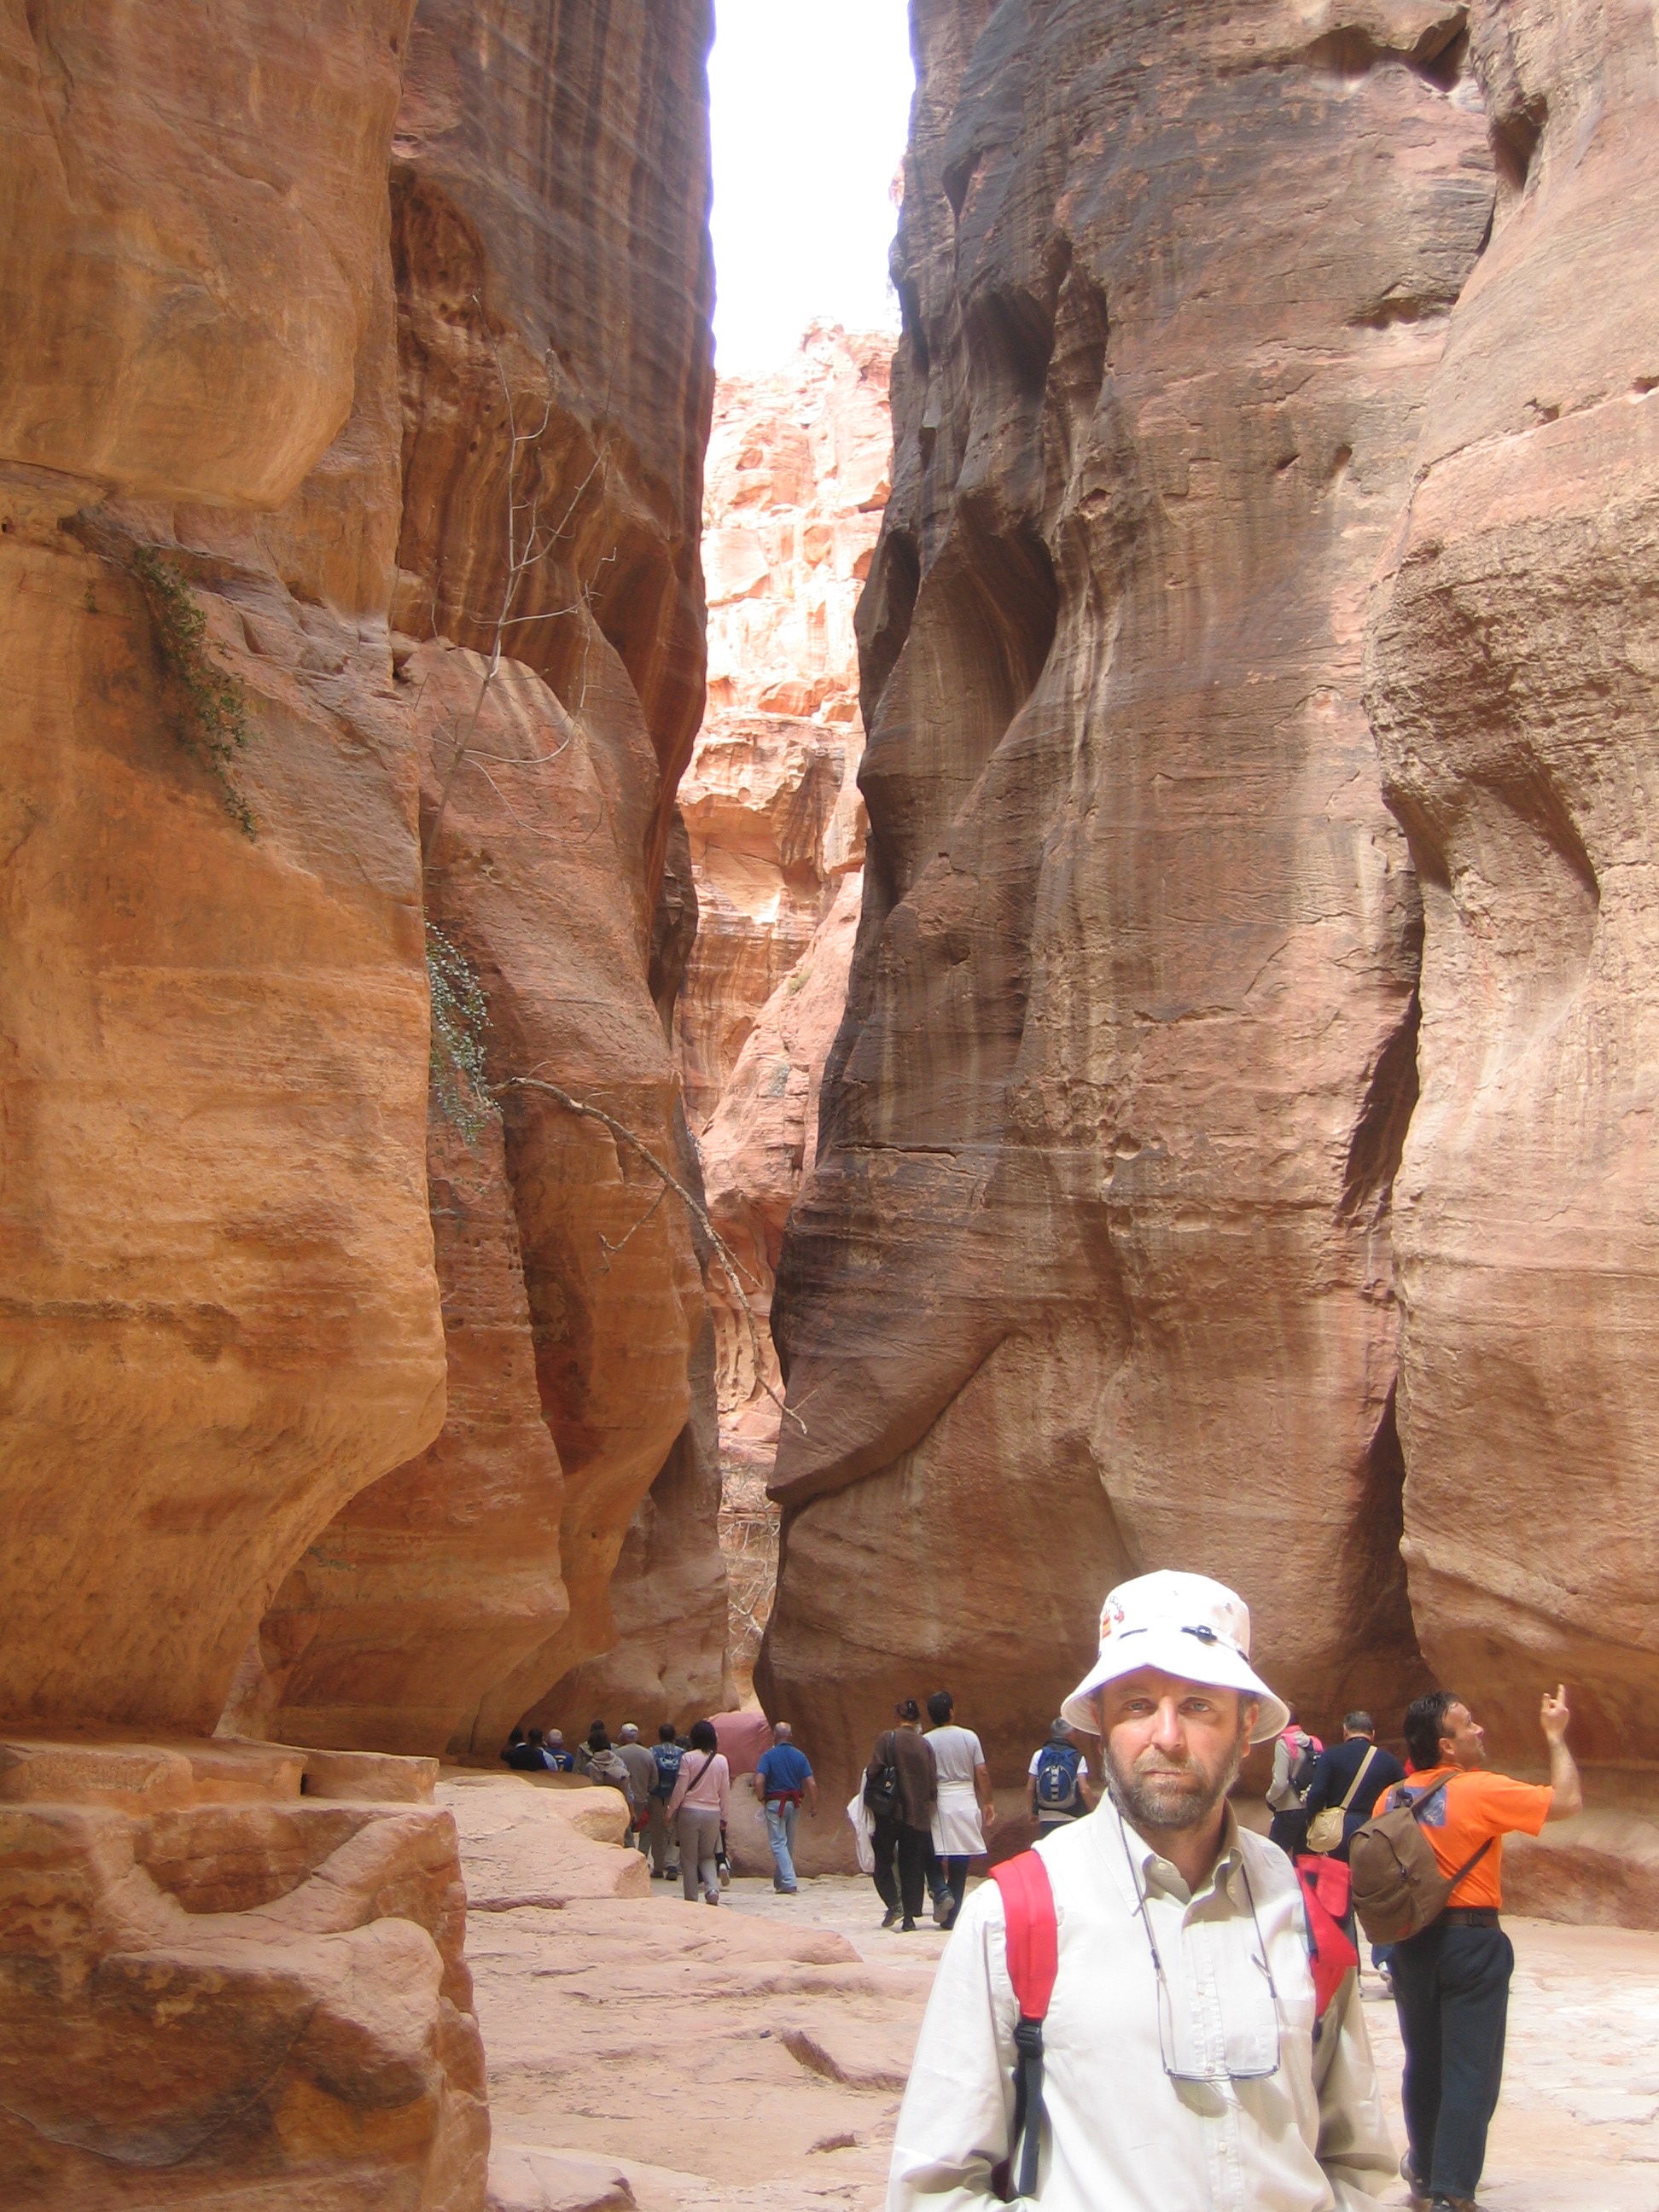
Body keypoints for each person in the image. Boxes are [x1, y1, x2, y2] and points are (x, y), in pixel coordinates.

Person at [888, 1569, 1396, 2211]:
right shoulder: (1014, 1915)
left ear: (1245, 1728)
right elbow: (935, 2188)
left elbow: (1357, 2164)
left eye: (1199, 1705)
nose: (1167, 1736)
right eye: (1137, 1705)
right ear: (1100, 1727)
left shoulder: (1300, 1909)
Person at [1382, 1685, 1580, 2212]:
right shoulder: (1479, 1790)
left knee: (1423, 2062)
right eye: (1468, 1724)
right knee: (1470, 2069)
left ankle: (1426, 2173)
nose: (1479, 1730)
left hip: (1409, 1943)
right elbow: (1567, 1802)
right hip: (1470, 1940)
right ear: (1446, 1746)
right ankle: (1453, 2191)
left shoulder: (1391, 1797)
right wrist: (1556, 1737)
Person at [1301, 1711, 1406, 1982]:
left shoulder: (1331, 1756)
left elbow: (1317, 1794)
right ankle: (1386, 1961)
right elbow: (1403, 1796)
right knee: (1379, 1898)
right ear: (1373, 1734)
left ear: (1345, 1731)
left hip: (1340, 1833)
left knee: (1339, 1901)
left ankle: (1349, 1973)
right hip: (1377, 1833)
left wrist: (1313, 1821)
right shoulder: (1387, 1760)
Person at [924, 1691, 996, 1929]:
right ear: (952, 1712)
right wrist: (988, 1801)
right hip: (966, 1798)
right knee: (960, 1855)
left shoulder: (926, 1741)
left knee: (931, 1850)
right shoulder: (969, 1737)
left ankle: (940, 1891)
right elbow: (982, 1771)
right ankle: (952, 1917)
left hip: (940, 1800)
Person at [869, 1699, 937, 1932]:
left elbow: (874, 1771)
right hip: (917, 1815)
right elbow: (932, 1784)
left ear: (898, 1716)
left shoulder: (887, 1739)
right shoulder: (925, 1745)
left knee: (883, 1860)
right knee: (913, 1865)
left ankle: (893, 1902)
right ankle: (909, 1917)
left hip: (890, 1812)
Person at [667, 1718, 731, 1906]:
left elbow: (680, 1789)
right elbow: (725, 1791)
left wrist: (670, 1811)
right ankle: (712, 1889)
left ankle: (691, 1899)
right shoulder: (721, 1761)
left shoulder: (688, 1758)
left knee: (689, 1858)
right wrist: (725, 1816)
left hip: (689, 1812)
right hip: (712, 1813)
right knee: (708, 1855)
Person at [754, 1720, 818, 1894]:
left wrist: (761, 1798)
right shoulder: (800, 1756)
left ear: (774, 1736)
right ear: (791, 1736)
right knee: (788, 1844)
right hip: (794, 1804)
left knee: (778, 1842)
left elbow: (759, 1781)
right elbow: (812, 1784)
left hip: (775, 1803)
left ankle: (789, 1881)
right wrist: (814, 1806)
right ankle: (780, 1881)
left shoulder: (768, 1756)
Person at [1266, 1706, 1323, 1856]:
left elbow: (1280, 1783)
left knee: (1273, 1856)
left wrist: (1270, 1798)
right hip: (1309, 1808)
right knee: (1305, 1859)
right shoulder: (1314, 1742)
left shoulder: (1283, 1743)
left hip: (1287, 1809)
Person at [1027, 1717, 1094, 1831]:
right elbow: (1084, 1789)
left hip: (1046, 1817)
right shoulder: (1077, 1758)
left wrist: (1031, 1812)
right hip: (1072, 1816)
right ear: (1069, 1735)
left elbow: (1030, 1787)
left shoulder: (1039, 1755)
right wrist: (1093, 1811)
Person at [646, 1722, 683, 1879]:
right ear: (674, 1737)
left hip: (656, 1796)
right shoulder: (682, 1753)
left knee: (657, 1832)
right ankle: (672, 1864)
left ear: (659, 1736)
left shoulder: (653, 1751)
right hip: (675, 1796)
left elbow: (651, 1772)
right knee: (673, 1831)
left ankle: (659, 1867)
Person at [614, 1723, 658, 1850]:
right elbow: (654, 1780)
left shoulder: (617, 1754)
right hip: (641, 1799)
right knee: (646, 1830)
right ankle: (642, 1854)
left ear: (623, 1737)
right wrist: (646, 1791)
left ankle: (631, 1854)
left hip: (623, 1799)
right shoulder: (648, 1754)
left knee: (626, 1832)